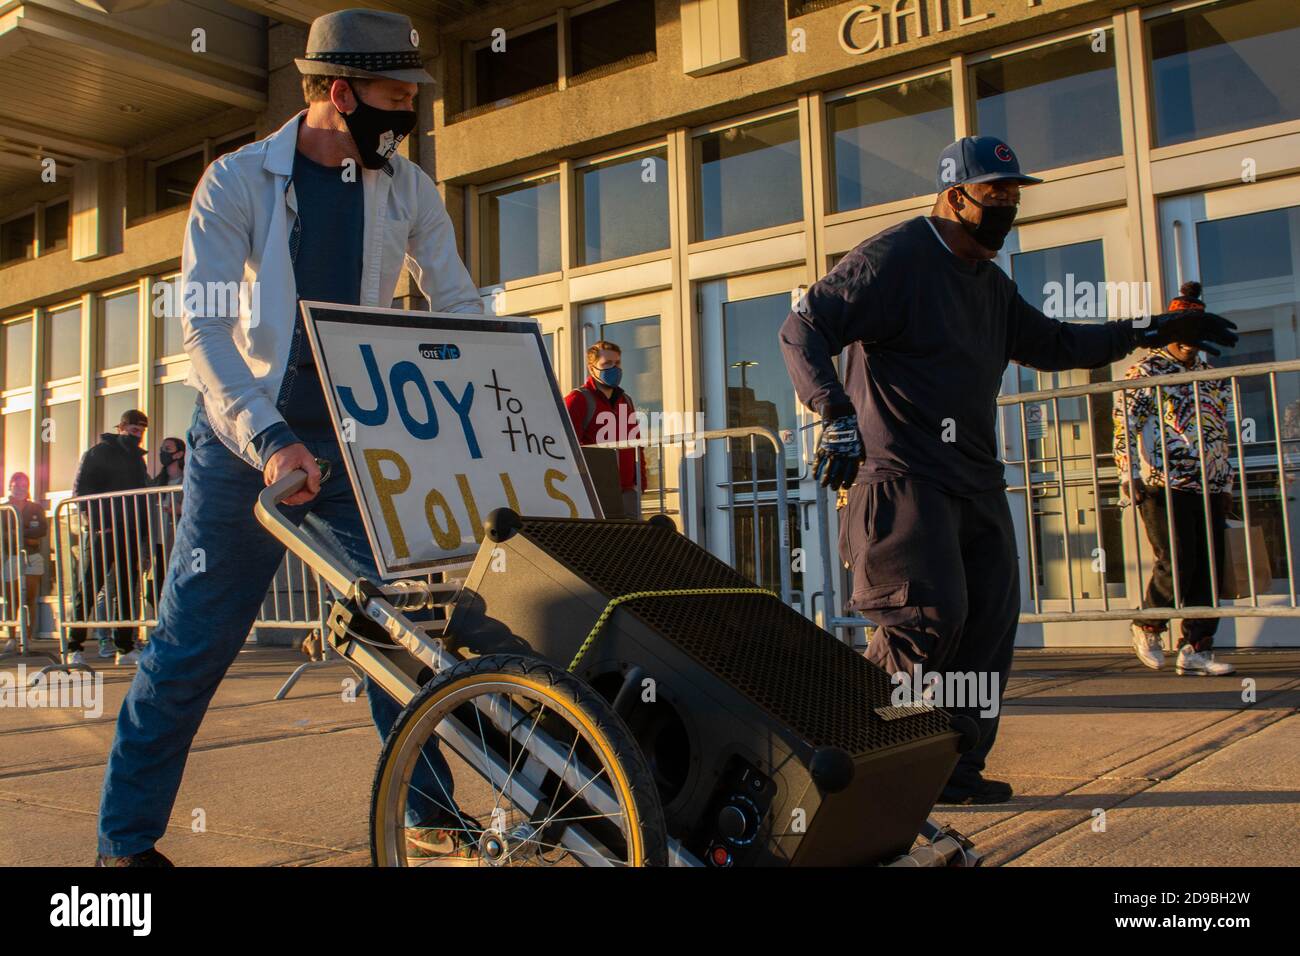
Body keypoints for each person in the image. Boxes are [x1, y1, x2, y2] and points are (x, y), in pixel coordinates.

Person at [95, 9, 483, 867]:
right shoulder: (236, 183)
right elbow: (202, 337)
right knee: (193, 644)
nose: (409, 113)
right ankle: (123, 847)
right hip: (244, 450)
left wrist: (500, 402)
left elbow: (456, 305)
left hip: (353, 441)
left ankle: (425, 808)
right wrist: (270, 439)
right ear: (339, 94)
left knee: (394, 631)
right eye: (394, 97)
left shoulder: (406, 187)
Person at [779, 136, 1238, 805]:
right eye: (995, 194)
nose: (1006, 207)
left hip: (975, 481)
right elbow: (804, 328)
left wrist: (1149, 328)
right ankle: (848, 761)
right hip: (902, 475)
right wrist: (835, 412)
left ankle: (955, 773)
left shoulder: (989, 284)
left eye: (1013, 196)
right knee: (925, 620)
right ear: (953, 195)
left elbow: (1054, 343)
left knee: (988, 627)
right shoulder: (897, 257)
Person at [1114, 281, 1236, 676]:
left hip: (1210, 482)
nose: (1189, 348)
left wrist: (1227, 481)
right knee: (1178, 561)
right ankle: (1148, 624)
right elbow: (1124, 424)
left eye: (1196, 342)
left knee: (1209, 568)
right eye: (1183, 340)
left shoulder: (1208, 372)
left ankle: (1196, 647)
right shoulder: (1146, 371)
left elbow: (1221, 427)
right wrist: (1128, 472)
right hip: (1164, 480)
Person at [70, 409, 151, 666]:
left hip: (129, 532)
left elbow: (142, 499)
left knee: (127, 591)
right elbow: (82, 490)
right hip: (103, 532)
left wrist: (143, 536)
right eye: (134, 429)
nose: (137, 434)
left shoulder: (138, 459)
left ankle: (125, 648)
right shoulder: (99, 452)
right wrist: (98, 524)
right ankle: (74, 646)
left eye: (141, 431)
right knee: (90, 588)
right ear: (122, 427)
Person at [564, 340, 649, 518]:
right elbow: (568, 447)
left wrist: (640, 482)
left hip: (628, 492)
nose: (614, 369)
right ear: (592, 368)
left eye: (617, 363)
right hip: (596, 492)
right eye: (607, 364)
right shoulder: (577, 400)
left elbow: (636, 443)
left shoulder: (625, 400)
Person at [1, 472, 48, 655]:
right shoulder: (4, 509)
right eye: (16, 485)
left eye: (24, 485)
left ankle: (27, 638)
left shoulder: (35, 508)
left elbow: (42, 530)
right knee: (12, 599)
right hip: (11, 557)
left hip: (32, 557)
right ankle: (12, 637)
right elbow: (4, 534)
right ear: (10, 486)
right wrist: (26, 535)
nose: (20, 488)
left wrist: (19, 535)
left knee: (30, 598)